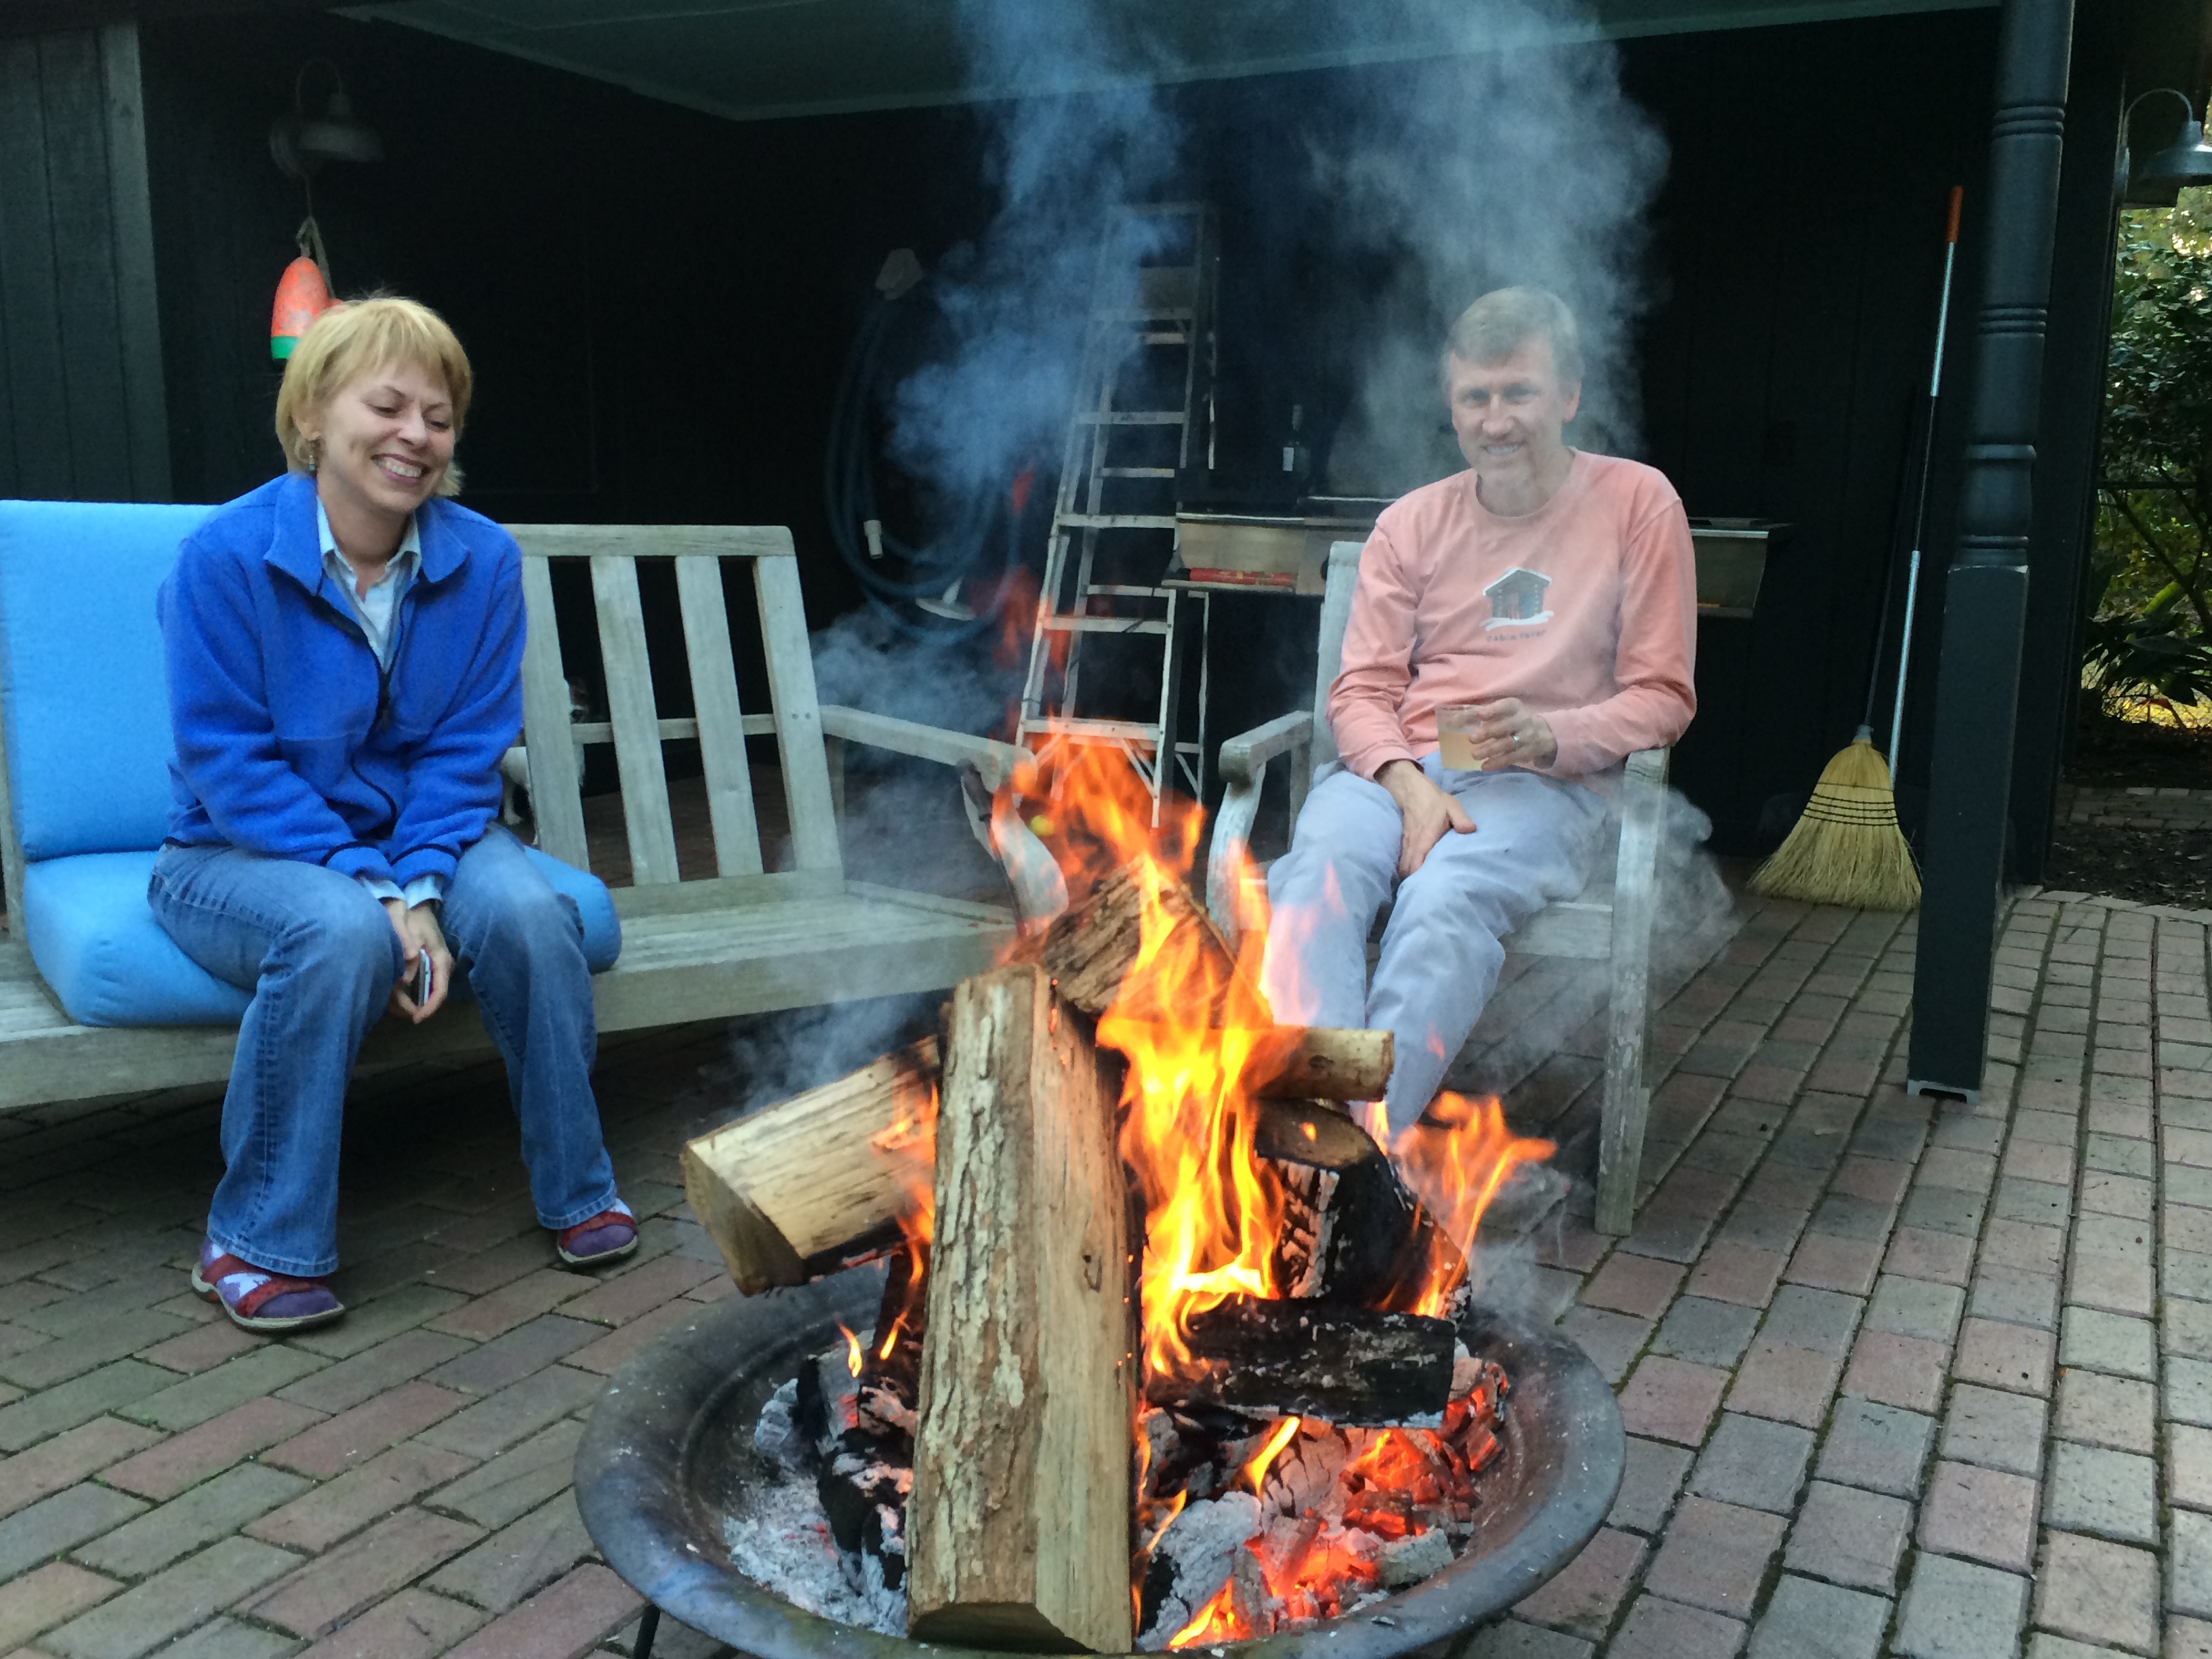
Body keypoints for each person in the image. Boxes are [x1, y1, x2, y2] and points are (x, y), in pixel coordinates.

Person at [150, 295, 637, 1334]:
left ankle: (580, 1189)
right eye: (387, 406)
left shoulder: (483, 561)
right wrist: (375, 890)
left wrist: (417, 879)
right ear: (313, 414)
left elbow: (464, 753)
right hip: (235, 850)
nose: (416, 434)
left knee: (529, 914)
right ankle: (253, 1240)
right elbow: (230, 767)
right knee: (337, 931)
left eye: (439, 416)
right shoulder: (222, 559)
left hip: (426, 834)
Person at [1261, 287, 1697, 1136]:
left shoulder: (1639, 505)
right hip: (1395, 772)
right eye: (1476, 398)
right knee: (1317, 873)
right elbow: (1361, 691)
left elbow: (1663, 697)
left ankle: (1356, 1149)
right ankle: (1316, 1132)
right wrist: (1407, 785)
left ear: (1568, 394)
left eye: (1518, 393)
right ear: (1452, 406)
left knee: (1443, 900)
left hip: (1545, 784)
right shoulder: (1411, 524)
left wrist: (1554, 735)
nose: (1497, 421)